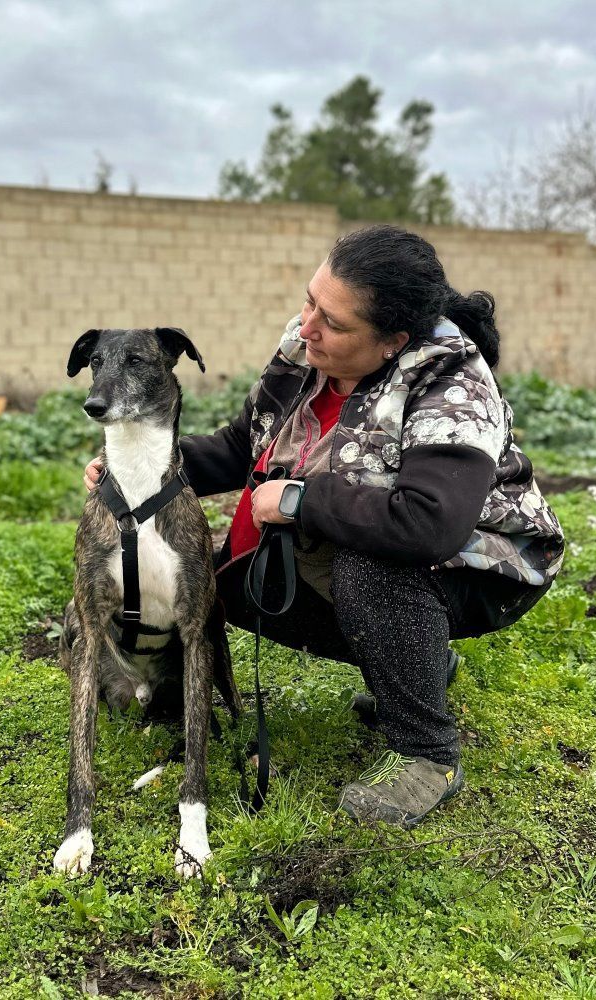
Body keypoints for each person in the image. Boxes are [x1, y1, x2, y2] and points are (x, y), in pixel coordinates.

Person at [84, 225, 564, 828]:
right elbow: (243, 444)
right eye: (310, 301)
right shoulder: (306, 348)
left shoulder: (451, 387)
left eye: (332, 322)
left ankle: (427, 753)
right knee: (236, 585)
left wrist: (299, 500)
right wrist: (141, 473)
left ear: (392, 341)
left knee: (370, 565)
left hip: (481, 565)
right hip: (393, 547)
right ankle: (418, 666)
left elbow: (429, 525)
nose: (307, 326)